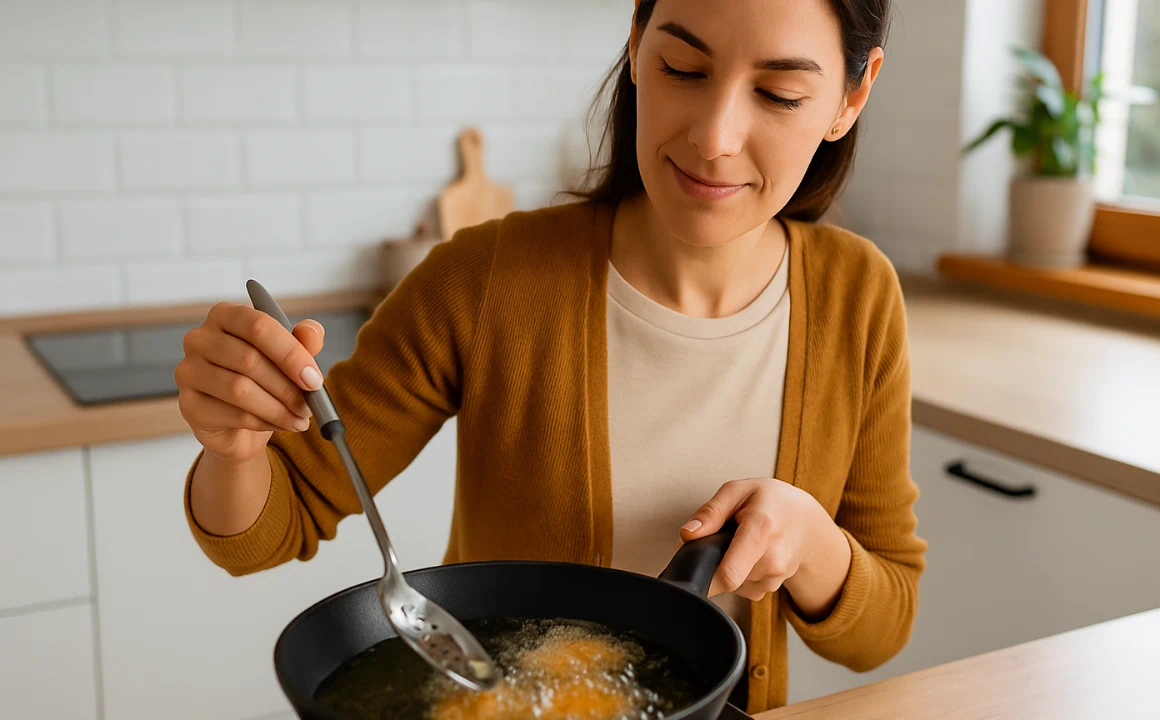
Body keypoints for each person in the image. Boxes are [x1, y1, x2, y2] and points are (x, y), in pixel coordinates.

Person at [176, 0, 925, 712]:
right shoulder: (486, 280)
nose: (715, 136)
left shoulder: (857, 298)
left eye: (780, 92)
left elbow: (882, 625)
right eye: (684, 70)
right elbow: (274, 524)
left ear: (851, 98)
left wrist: (811, 540)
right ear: (636, 43)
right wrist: (234, 447)